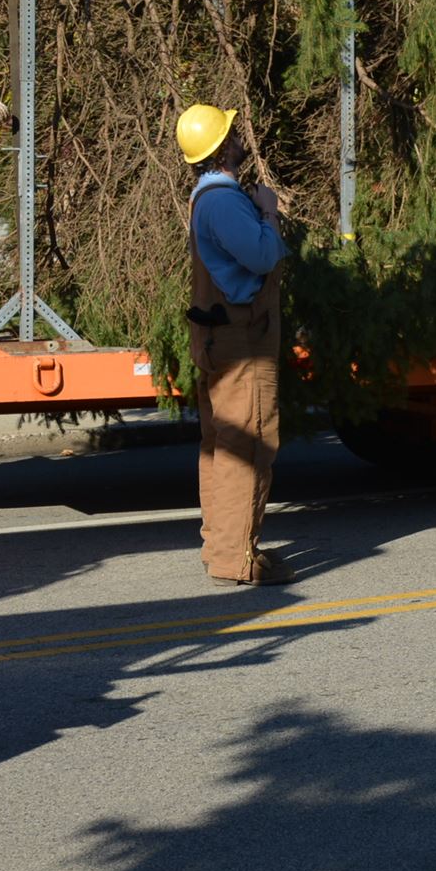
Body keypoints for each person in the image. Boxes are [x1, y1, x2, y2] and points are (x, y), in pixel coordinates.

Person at [176, 102, 294, 587]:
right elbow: (264, 255)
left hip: (222, 333)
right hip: (242, 338)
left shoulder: (208, 197)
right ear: (223, 149)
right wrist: (269, 211)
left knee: (222, 449)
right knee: (249, 446)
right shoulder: (224, 202)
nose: (240, 136)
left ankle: (222, 549)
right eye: (232, 132)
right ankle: (237, 559)